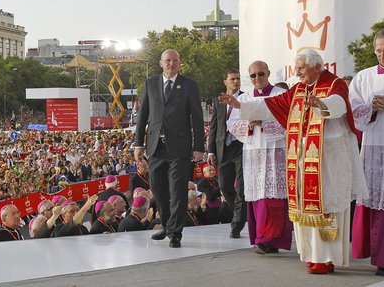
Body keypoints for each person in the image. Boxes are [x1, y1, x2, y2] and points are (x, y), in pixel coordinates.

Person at [219, 49, 368, 274]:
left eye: (301, 68)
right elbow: (272, 105)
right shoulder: (298, 89)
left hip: (328, 158)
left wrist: (322, 103)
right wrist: (241, 106)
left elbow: (339, 103)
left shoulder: (334, 83)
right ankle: (312, 254)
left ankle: (327, 257)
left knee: (326, 204)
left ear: (317, 67)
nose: (296, 72)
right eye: (296, 67)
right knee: (305, 205)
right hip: (303, 157)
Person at [134, 49, 205, 248]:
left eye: (175, 61)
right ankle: (166, 224)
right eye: (168, 60)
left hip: (180, 148)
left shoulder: (189, 85)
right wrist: (138, 144)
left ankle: (175, 233)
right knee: (158, 190)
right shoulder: (150, 83)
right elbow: (143, 116)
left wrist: (198, 146)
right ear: (161, 63)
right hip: (156, 147)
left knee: (178, 191)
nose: (171, 64)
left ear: (180, 63)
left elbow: (197, 117)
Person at [227, 61, 292, 255]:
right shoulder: (244, 98)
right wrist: (248, 123)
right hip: (253, 152)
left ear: (268, 73)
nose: (257, 78)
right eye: (253, 75)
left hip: (275, 151)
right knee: (258, 198)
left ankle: (268, 239)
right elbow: (232, 124)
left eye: (261, 74)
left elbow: (288, 120)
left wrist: (263, 120)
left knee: (273, 198)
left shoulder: (280, 95)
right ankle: (262, 239)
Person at [349, 28, 384, 276]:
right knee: (375, 199)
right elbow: (351, 109)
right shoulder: (364, 77)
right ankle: (380, 258)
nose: (383, 54)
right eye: (379, 50)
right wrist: (370, 108)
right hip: (373, 146)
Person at [207, 68, 247, 238]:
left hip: (241, 147)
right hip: (223, 148)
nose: (236, 82)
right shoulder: (218, 101)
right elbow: (214, 127)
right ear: (225, 82)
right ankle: (241, 215)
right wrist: (210, 151)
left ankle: (236, 224)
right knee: (224, 186)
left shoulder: (246, 97)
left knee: (241, 189)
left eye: (238, 79)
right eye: (232, 79)